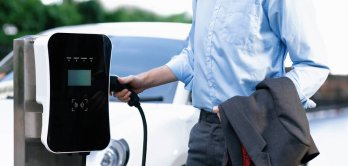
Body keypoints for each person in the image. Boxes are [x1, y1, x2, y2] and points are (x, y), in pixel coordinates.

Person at [113, 0, 329, 165]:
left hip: (255, 134)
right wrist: (143, 81)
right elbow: (193, 58)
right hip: (205, 133)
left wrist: (257, 106)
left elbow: (314, 66)